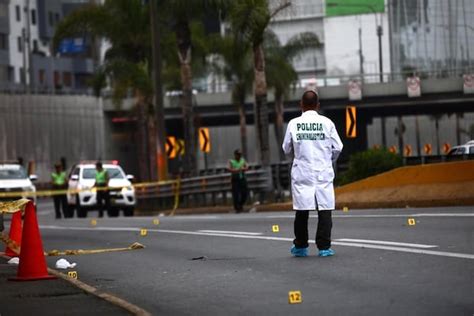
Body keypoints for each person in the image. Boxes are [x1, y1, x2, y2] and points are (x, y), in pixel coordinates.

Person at [282, 89, 343, 257]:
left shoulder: (294, 124)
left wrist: (297, 157)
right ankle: (324, 247)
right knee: (325, 208)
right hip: (323, 170)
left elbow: (286, 148)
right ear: (318, 105)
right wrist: (328, 160)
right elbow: (338, 147)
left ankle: (301, 246)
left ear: (301, 105)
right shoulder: (327, 123)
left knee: (302, 209)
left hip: (302, 171)